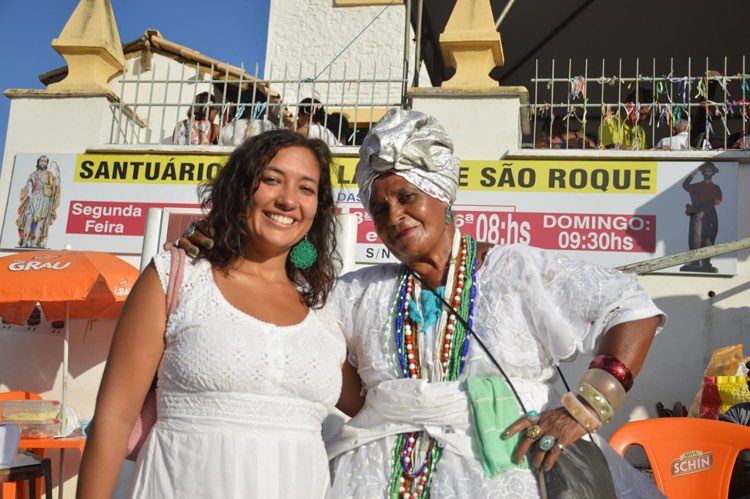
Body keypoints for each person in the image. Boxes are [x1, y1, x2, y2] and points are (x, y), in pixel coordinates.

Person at [181, 109, 666, 498]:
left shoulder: (516, 272)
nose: (395, 216)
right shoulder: (360, 291)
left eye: (407, 197)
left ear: (440, 193)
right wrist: (230, 246)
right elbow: (290, 304)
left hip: (507, 470)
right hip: (371, 471)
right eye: (379, 208)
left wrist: (584, 408)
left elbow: (632, 308)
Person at [77, 129, 353, 498]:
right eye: (271, 180)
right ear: (240, 189)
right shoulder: (177, 277)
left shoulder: (324, 312)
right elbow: (113, 420)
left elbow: (382, 402)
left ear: (317, 208)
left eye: (306, 188)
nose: (288, 200)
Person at [680, 162, 722, 273]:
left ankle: (706, 262)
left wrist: (704, 209)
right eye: (705, 171)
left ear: (713, 173)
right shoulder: (696, 186)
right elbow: (685, 186)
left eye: (710, 171)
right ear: (702, 172)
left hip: (709, 213)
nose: (707, 173)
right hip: (697, 213)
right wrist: (692, 175)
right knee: (696, 236)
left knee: (709, 237)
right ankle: (695, 261)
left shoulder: (715, 187)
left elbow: (717, 200)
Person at [16, 155, 61, 248]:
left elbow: (55, 186)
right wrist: (29, 192)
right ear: (38, 162)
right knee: (28, 219)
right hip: (33, 198)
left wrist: (57, 183)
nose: (42, 163)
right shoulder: (33, 174)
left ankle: (35, 243)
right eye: (41, 161)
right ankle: (24, 242)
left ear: (47, 163)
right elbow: (28, 184)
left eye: (44, 161)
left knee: (41, 222)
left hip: (45, 200)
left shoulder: (50, 175)